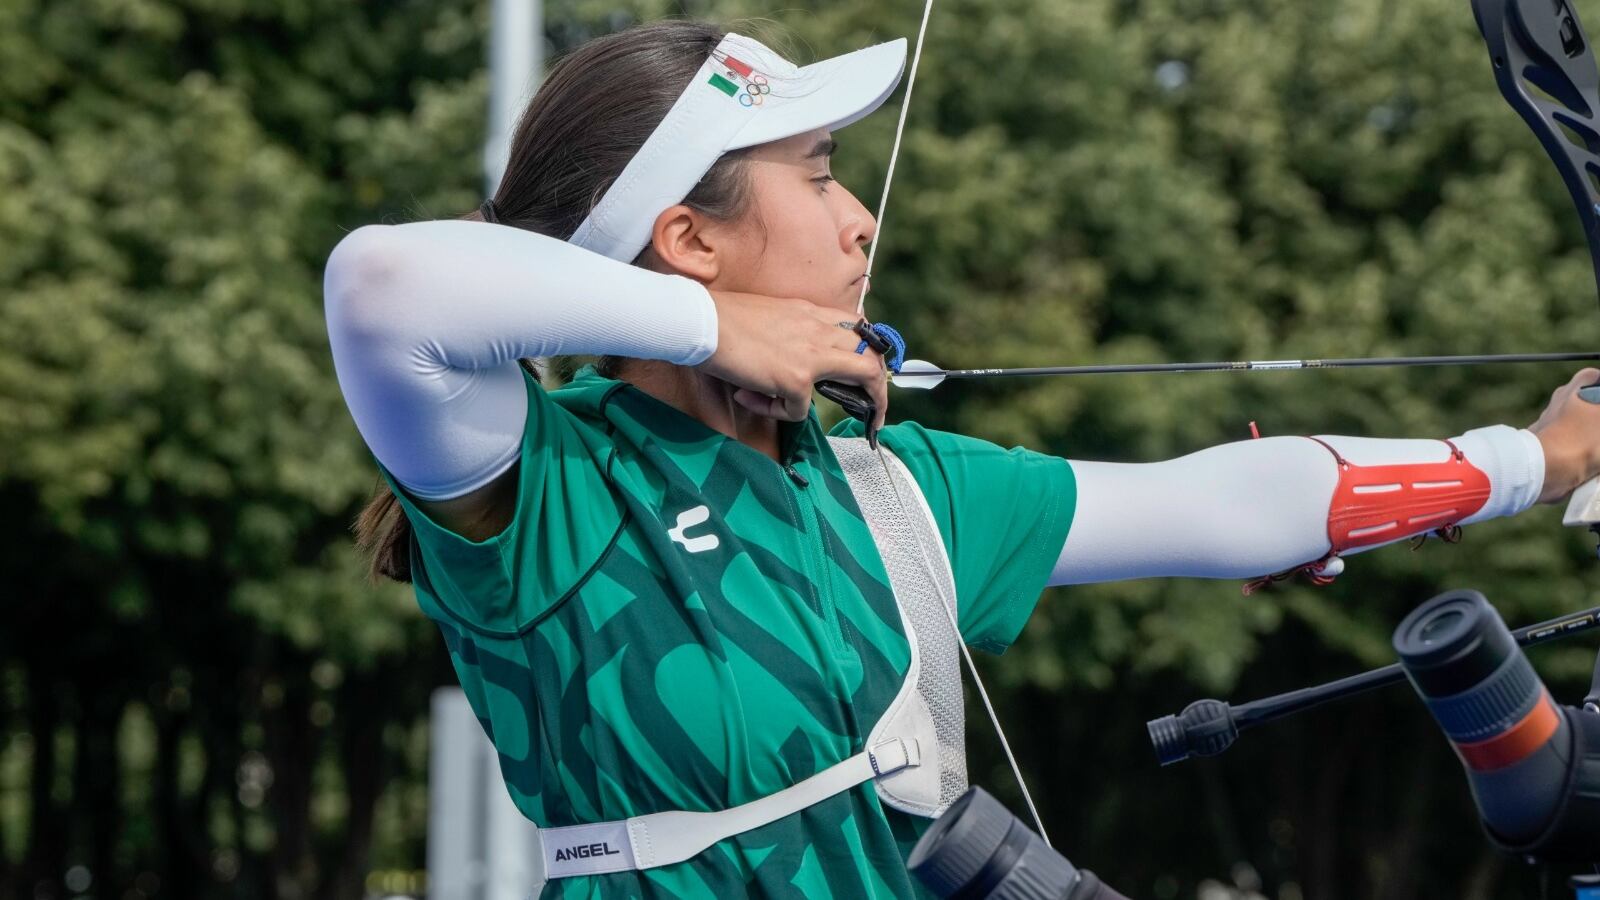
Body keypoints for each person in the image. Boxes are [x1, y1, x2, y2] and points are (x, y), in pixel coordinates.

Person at [321, 19, 1600, 898]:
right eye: (817, 177)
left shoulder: (891, 489)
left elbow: (1232, 504)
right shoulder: (552, 490)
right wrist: (721, 333)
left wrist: (1535, 456)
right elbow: (382, 284)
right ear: (688, 241)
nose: (857, 214)